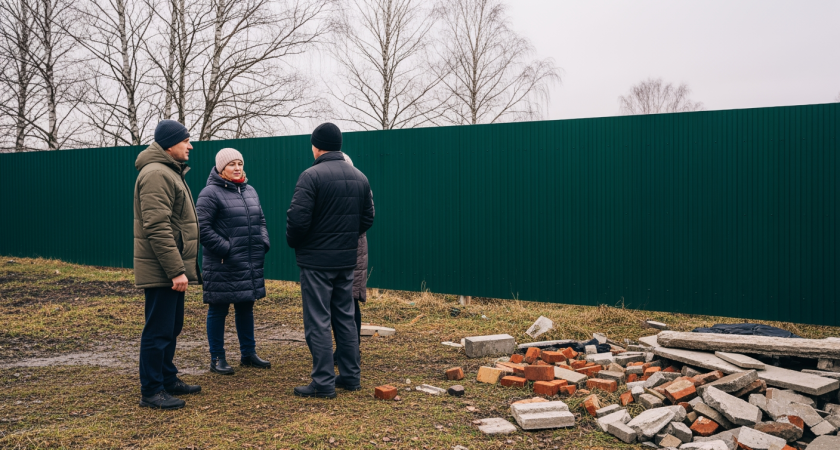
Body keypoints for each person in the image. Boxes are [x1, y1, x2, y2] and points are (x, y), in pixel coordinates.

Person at [286, 123, 375, 398]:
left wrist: (298, 242)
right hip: (346, 261)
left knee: (318, 320)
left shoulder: (311, 176)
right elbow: (367, 218)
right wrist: (346, 239)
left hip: (316, 263)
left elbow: (297, 220)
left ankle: (323, 383)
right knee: (345, 319)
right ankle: (351, 377)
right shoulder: (359, 176)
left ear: (316, 146)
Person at [134, 119, 202, 410]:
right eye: (185, 140)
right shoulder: (156, 174)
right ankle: (151, 391)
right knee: (158, 329)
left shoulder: (169, 171)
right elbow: (157, 226)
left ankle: (167, 377)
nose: (190, 145)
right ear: (170, 144)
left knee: (171, 326)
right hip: (163, 269)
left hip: (171, 268)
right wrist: (176, 270)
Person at [196, 148, 271, 375]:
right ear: (221, 169)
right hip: (222, 263)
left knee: (246, 307)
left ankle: (248, 353)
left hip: (247, 262)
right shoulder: (210, 193)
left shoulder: (250, 191)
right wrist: (226, 249)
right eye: (232, 164)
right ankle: (217, 357)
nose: (237, 168)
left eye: (239, 163)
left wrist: (263, 242)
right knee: (218, 309)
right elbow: (201, 228)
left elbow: (261, 220)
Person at [332, 153, 368, 352]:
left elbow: (367, 217)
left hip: (354, 249)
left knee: (350, 301)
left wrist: (347, 233)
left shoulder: (358, 185)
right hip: (344, 248)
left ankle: (351, 349)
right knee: (338, 302)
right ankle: (343, 348)